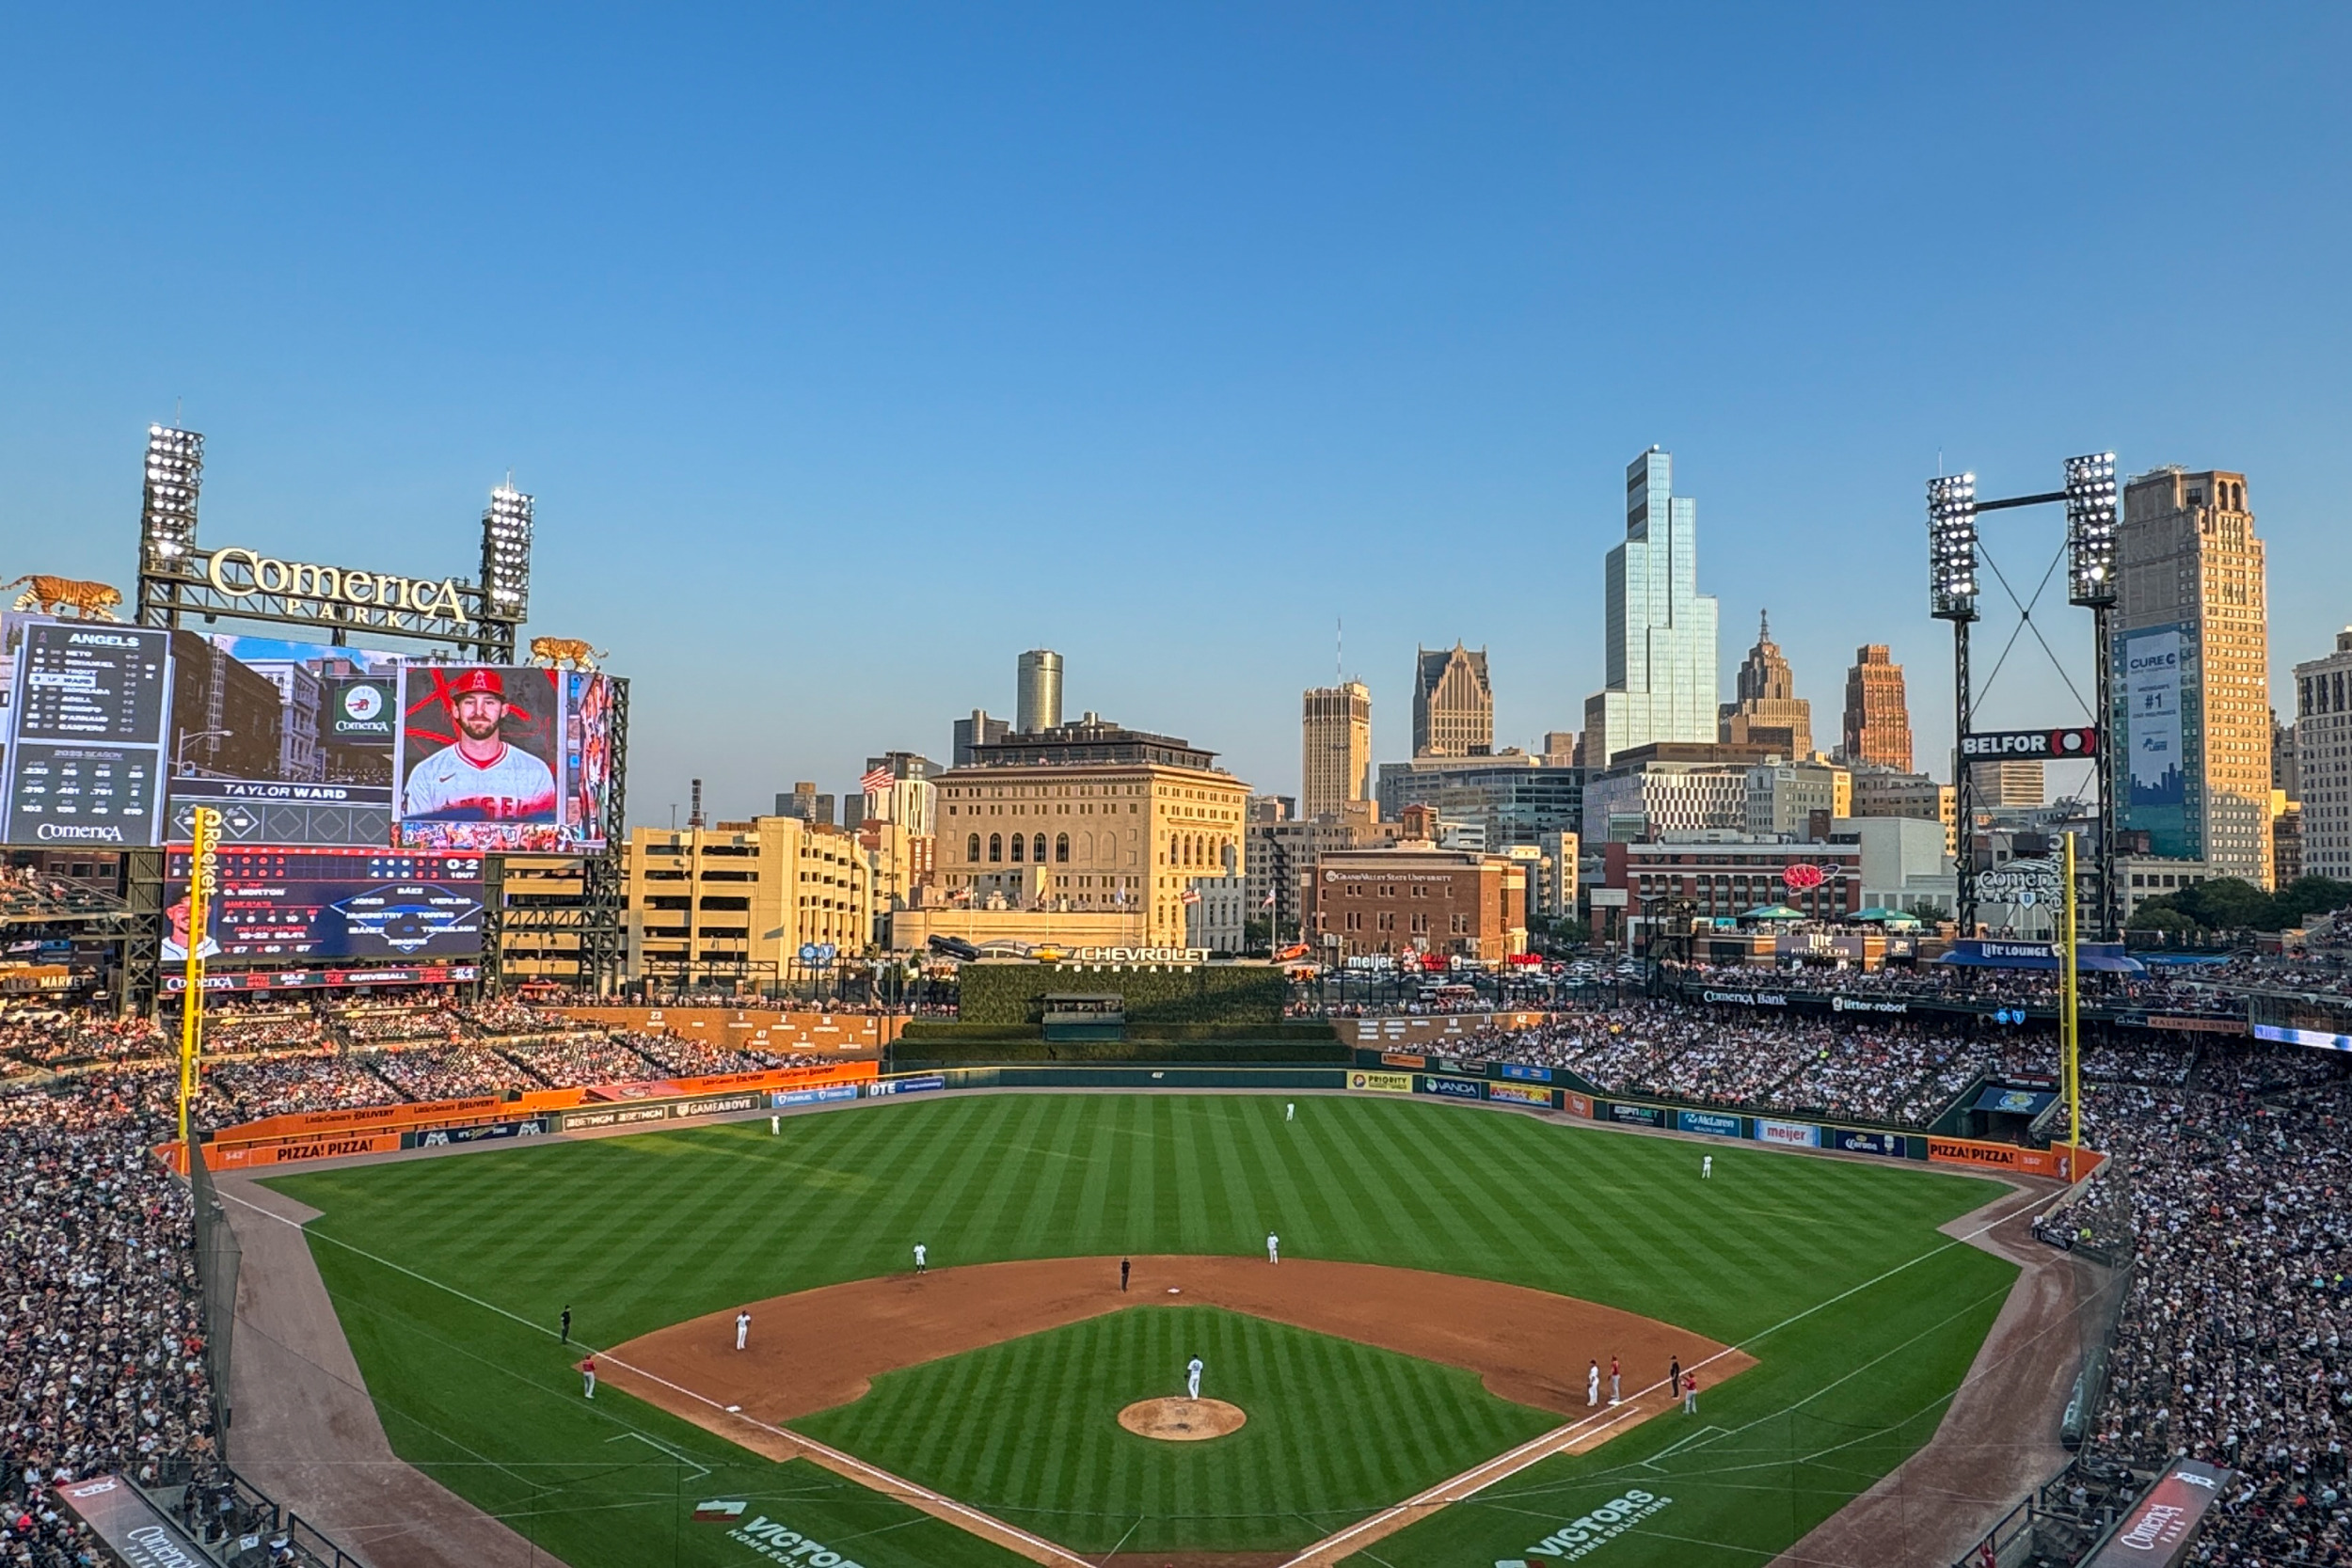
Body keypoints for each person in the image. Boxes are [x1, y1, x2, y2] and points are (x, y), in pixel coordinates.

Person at [401, 668, 557, 821]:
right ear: (455, 710)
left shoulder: (535, 771)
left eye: (489, 702)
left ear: (504, 710)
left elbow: (546, 838)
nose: (479, 711)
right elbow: (413, 838)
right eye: (470, 702)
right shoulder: (426, 773)